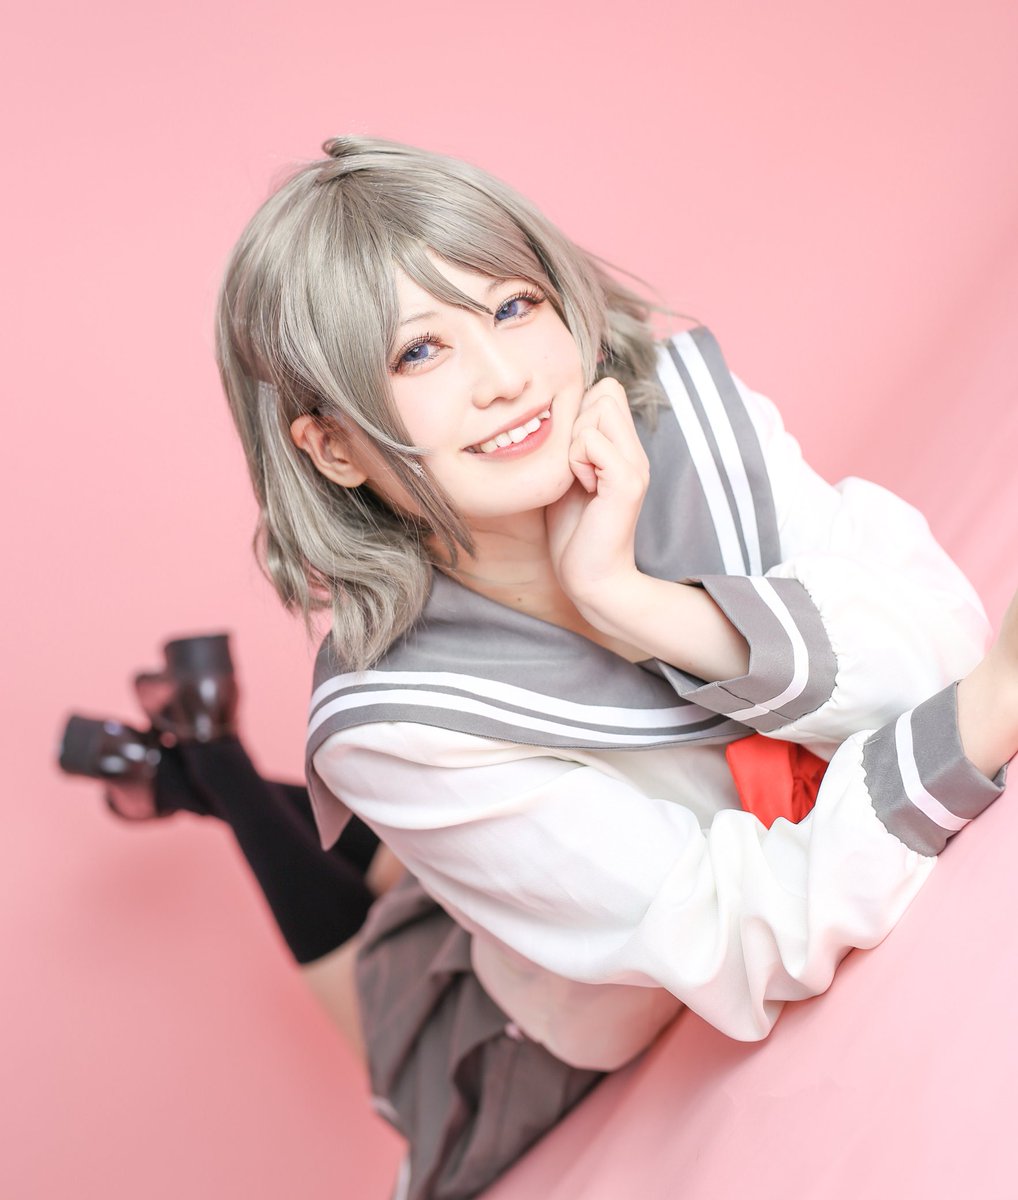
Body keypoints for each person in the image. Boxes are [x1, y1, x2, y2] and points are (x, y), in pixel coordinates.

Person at [214, 129, 1017, 1135]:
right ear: (332, 446)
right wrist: (985, 706)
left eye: (513, 305)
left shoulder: (695, 422)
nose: (504, 377)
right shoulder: (395, 727)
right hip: (541, 997)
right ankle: (217, 778)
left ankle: (295, 806)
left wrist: (635, 604)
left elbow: (940, 668)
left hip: (524, 816)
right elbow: (741, 928)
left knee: (418, 836)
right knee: (366, 966)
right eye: (419, 351)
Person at [59, 634, 607, 1200]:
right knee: (393, 993)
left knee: (420, 899)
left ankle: (187, 765)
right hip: (514, 1041)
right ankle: (206, 762)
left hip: (524, 955)